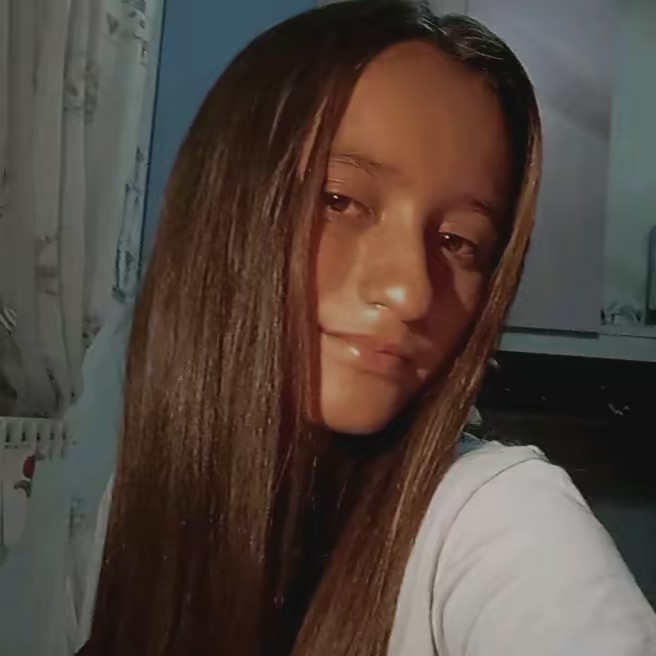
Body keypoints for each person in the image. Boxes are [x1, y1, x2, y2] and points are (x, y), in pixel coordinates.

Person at [72, 1, 656, 654]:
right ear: (227, 204)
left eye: (459, 242)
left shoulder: (495, 515)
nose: (411, 292)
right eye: (341, 201)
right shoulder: (122, 497)